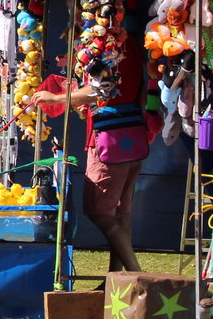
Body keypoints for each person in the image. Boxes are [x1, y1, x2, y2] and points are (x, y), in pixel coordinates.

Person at [31, 45, 148, 273]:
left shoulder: (107, 44)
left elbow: (100, 88)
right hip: (132, 134)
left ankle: (135, 273)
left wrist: (56, 97)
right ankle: (116, 279)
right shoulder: (130, 47)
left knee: (99, 210)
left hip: (109, 140)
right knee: (120, 213)